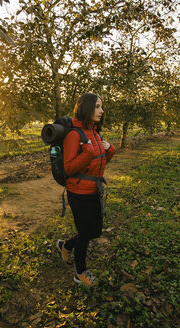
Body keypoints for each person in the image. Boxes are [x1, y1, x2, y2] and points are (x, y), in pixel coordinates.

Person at [56, 92, 116, 287]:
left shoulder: (95, 132)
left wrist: (110, 151)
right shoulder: (74, 135)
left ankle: (65, 245)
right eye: (97, 106)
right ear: (87, 108)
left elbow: (100, 162)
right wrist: (88, 151)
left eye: (102, 106)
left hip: (94, 190)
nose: (102, 111)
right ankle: (80, 272)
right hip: (79, 193)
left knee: (95, 231)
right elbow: (69, 168)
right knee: (85, 233)